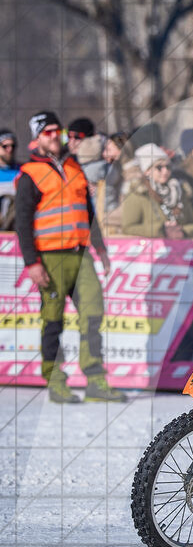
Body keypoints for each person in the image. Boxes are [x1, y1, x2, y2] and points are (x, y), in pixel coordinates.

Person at [14, 111, 126, 403]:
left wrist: (100, 247)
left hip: (81, 253)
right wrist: (32, 263)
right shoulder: (29, 174)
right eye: (47, 132)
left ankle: (95, 381)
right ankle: (56, 381)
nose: (54, 136)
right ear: (37, 137)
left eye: (56, 130)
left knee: (93, 313)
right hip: (50, 258)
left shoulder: (75, 166)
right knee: (53, 321)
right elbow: (22, 223)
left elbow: (88, 213)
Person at [120, 143, 193, 238]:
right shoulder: (138, 194)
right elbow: (128, 228)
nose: (165, 171)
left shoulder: (179, 190)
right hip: (154, 250)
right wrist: (161, 230)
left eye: (168, 167)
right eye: (159, 167)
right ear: (147, 171)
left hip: (181, 248)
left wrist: (182, 231)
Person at [0, 129, 20, 230]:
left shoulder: (22, 171)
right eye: (5, 146)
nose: (10, 149)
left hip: (15, 226)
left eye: (13, 146)